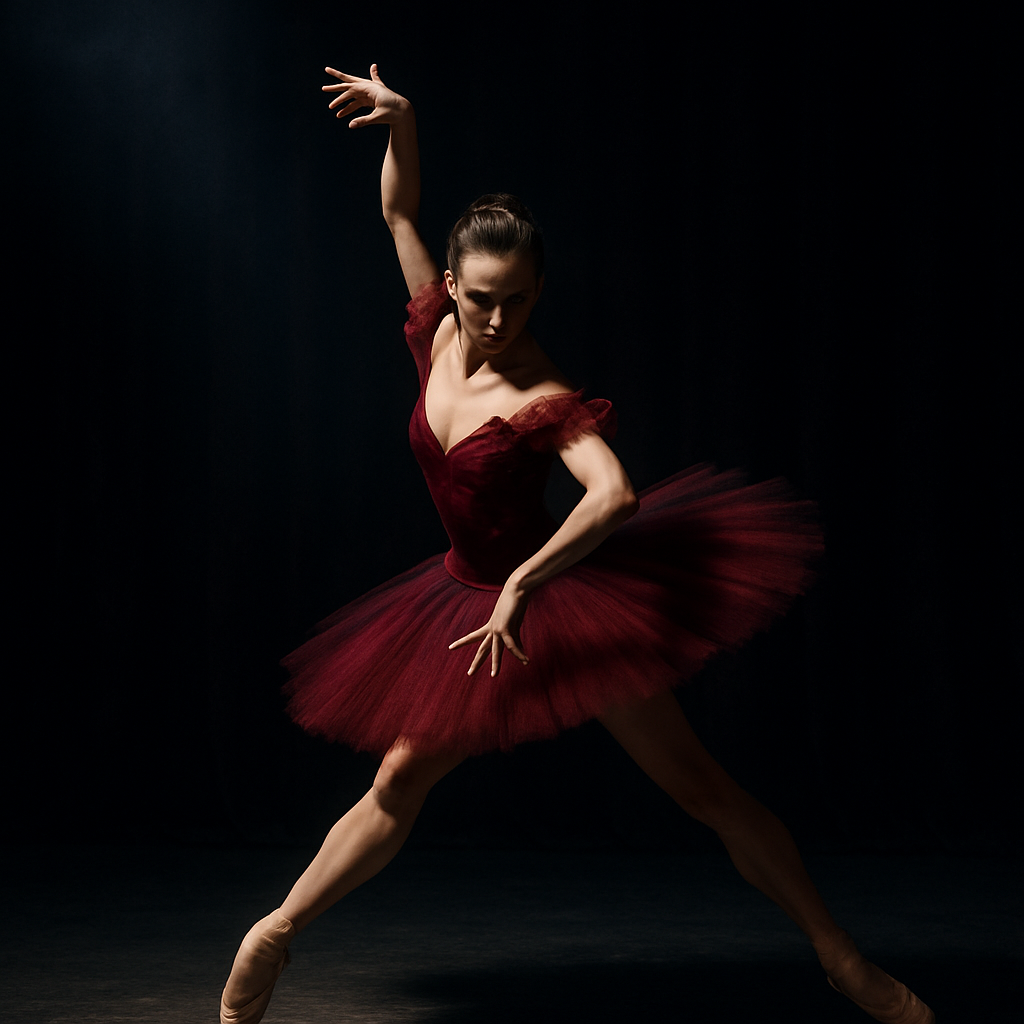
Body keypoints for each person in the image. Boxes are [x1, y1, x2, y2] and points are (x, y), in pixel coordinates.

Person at [219, 65, 934, 1024]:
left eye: (518, 301)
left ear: (539, 292)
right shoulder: (435, 331)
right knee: (396, 778)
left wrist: (522, 585)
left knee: (700, 789)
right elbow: (399, 213)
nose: (497, 320)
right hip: (464, 601)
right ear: (454, 287)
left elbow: (616, 494)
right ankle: (273, 935)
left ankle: (840, 955)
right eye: (482, 298)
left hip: (562, 602)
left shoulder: (539, 395)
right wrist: (405, 123)